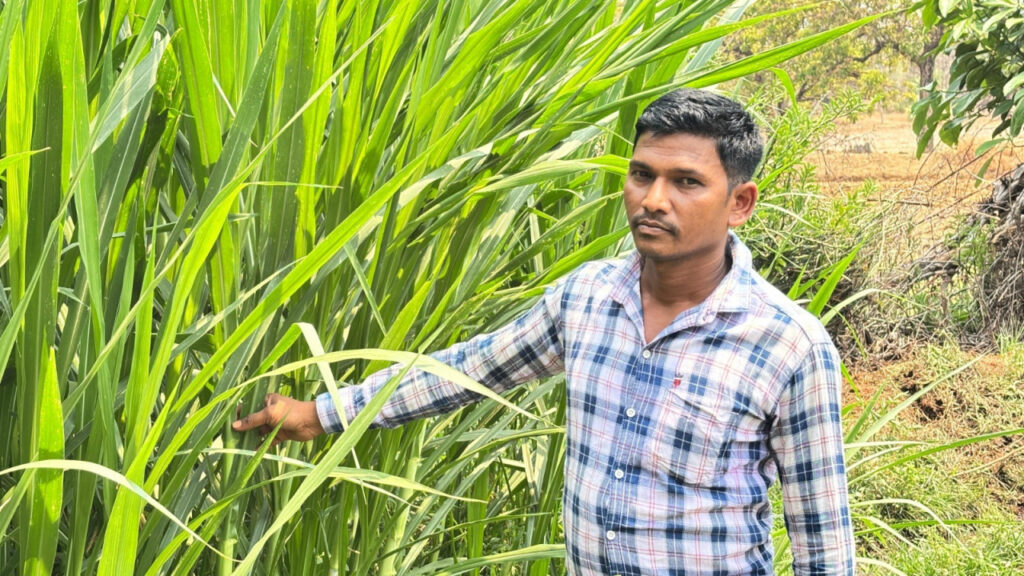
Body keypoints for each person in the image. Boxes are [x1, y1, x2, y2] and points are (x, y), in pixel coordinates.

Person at [234, 88, 856, 575]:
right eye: (642, 175)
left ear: (740, 202)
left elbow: (822, 539)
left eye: (686, 182)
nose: (653, 199)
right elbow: (469, 371)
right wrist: (324, 414)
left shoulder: (787, 346)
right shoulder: (586, 299)